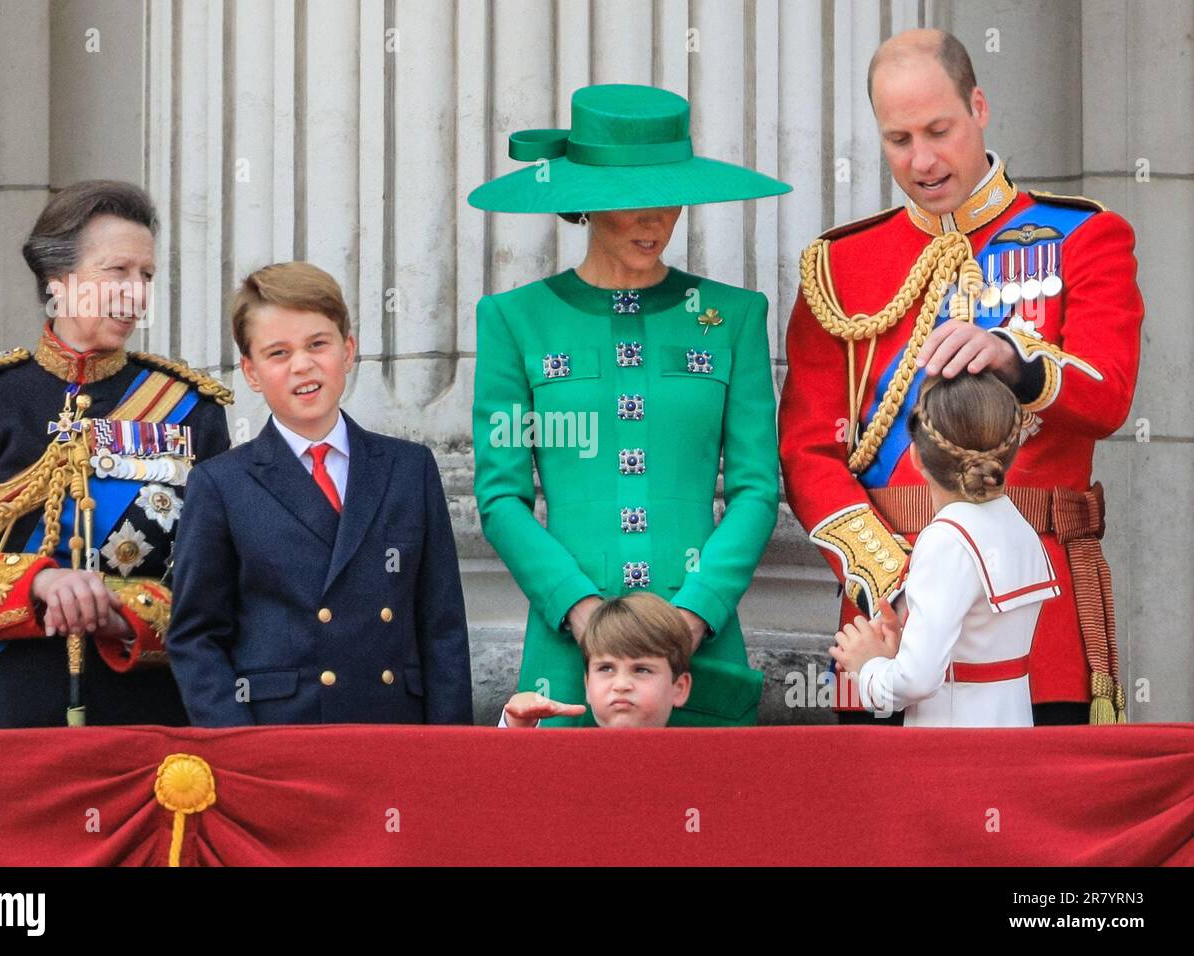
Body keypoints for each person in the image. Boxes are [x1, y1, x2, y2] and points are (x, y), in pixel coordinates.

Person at [778, 29, 1142, 726]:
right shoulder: (839, 267)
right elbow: (807, 452)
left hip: (1033, 615)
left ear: (979, 105)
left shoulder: (1081, 236)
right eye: (898, 139)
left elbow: (1108, 395)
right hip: (885, 617)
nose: (920, 160)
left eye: (939, 130)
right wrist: (898, 584)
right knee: (887, 830)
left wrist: (1015, 358)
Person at [469, 83, 789, 727]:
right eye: (630, 200)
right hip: (567, 651)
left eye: (668, 196)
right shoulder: (514, 319)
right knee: (565, 820)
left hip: (700, 647)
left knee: (709, 818)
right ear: (585, 202)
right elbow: (500, 497)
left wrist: (694, 617)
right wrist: (582, 613)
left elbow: (757, 489)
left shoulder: (733, 317)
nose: (654, 219)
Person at [0, 180, 232, 728]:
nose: (137, 293)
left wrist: (122, 612)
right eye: (117, 272)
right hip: (7, 714)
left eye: (146, 275)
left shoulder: (191, 409)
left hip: (143, 720)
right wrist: (38, 582)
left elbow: (218, 588)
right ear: (58, 281)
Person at [166, 262, 473, 726]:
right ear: (250, 371)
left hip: (394, 729)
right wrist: (238, 748)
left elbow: (442, 628)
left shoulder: (409, 468)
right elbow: (196, 637)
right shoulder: (221, 484)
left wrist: (451, 756)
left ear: (348, 350)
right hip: (280, 736)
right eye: (278, 353)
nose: (302, 365)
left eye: (317, 344)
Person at [829, 373, 1060, 727]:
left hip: (953, 754)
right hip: (1013, 741)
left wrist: (869, 665)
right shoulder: (1020, 526)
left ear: (917, 457)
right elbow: (975, 642)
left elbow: (916, 680)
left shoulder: (946, 539)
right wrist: (905, 645)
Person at [500, 592, 694, 729]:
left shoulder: (704, 763)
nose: (621, 685)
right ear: (587, 685)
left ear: (679, 688)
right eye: (606, 668)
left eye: (641, 670)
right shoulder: (564, 761)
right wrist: (517, 724)